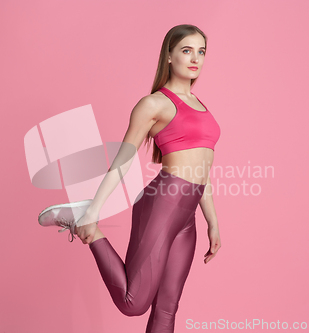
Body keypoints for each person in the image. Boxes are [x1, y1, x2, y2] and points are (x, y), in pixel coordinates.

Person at [39, 24, 221, 333]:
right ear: (169, 56)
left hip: (187, 215)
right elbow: (123, 162)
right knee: (133, 303)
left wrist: (213, 222)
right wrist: (95, 208)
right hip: (162, 204)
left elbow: (203, 171)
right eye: (186, 50)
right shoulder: (154, 104)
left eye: (201, 51)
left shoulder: (202, 106)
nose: (195, 59)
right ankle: (87, 224)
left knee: (167, 309)